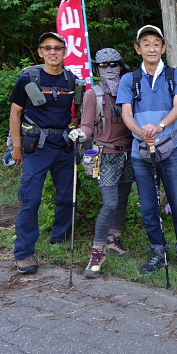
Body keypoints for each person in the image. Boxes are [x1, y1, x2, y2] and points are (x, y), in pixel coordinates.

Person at [117, 25, 177, 277]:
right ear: (138, 49)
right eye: (146, 43)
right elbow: (126, 113)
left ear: (164, 48)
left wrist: (159, 126)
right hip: (141, 150)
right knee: (149, 206)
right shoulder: (129, 79)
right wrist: (141, 133)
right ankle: (158, 251)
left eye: (156, 43)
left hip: (172, 148)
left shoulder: (175, 75)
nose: (151, 48)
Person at [9, 32, 78, 274]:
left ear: (64, 51)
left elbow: (76, 113)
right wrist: (17, 147)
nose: (52, 52)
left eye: (57, 48)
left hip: (64, 145)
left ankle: (60, 238)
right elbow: (15, 112)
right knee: (31, 198)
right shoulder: (29, 78)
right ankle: (24, 252)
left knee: (67, 196)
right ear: (40, 52)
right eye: (47, 48)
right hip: (36, 147)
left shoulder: (71, 80)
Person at [71, 48, 135, 279]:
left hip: (128, 153)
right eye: (104, 65)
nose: (110, 69)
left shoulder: (129, 90)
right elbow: (88, 125)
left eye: (114, 64)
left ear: (121, 65)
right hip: (105, 156)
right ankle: (97, 252)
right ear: (97, 69)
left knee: (123, 199)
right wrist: (80, 133)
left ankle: (113, 238)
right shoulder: (93, 95)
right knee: (110, 203)